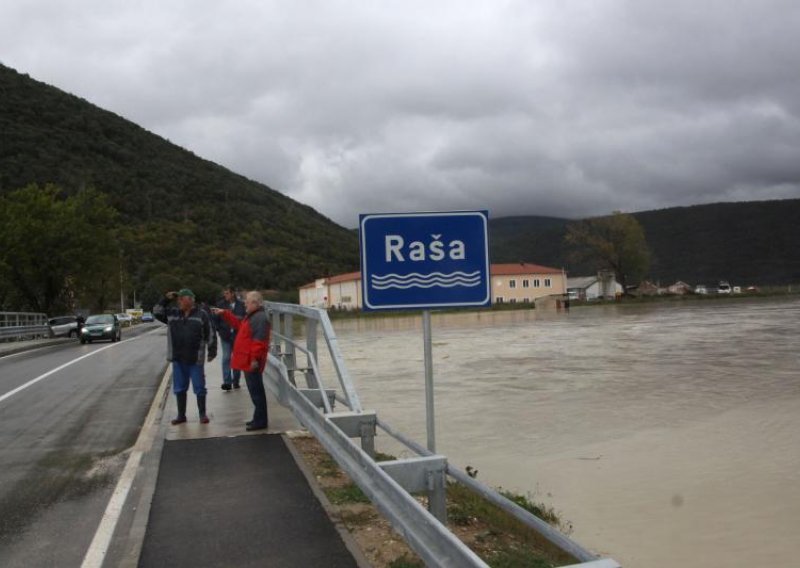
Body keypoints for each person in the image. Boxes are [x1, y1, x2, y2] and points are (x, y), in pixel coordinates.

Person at [154, 288, 217, 425]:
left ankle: (202, 414)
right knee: (179, 388)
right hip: (178, 358)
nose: (179, 302)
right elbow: (157, 312)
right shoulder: (172, 314)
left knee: (199, 387)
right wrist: (166, 298)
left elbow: (210, 333)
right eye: (178, 299)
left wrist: (212, 351)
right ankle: (181, 415)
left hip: (195, 358)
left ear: (190, 300)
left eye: (182, 299)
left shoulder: (202, 315)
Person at [212, 291, 270, 431]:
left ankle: (261, 421)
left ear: (255, 303)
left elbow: (259, 342)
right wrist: (224, 313)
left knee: (257, 392)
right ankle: (258, 419)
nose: (245, 303)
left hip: (252, 362)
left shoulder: (259, 318)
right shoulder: (252, 317)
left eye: (248, 302)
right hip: (248, 361)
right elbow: (238, 324)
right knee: (255, 392)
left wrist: (255, 360)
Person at [212, 285, 246, 391]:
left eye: (227, 293)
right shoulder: (221, 305)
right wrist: (219, 330)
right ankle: (227, 382)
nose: (225, 295)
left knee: (236, 358)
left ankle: (236, 381)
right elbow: (215, 319)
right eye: (224, 293)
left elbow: (244, 319)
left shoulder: (242, 305)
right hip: (225, 335)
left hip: (237, 336)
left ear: (232, 293)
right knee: (226, 358)